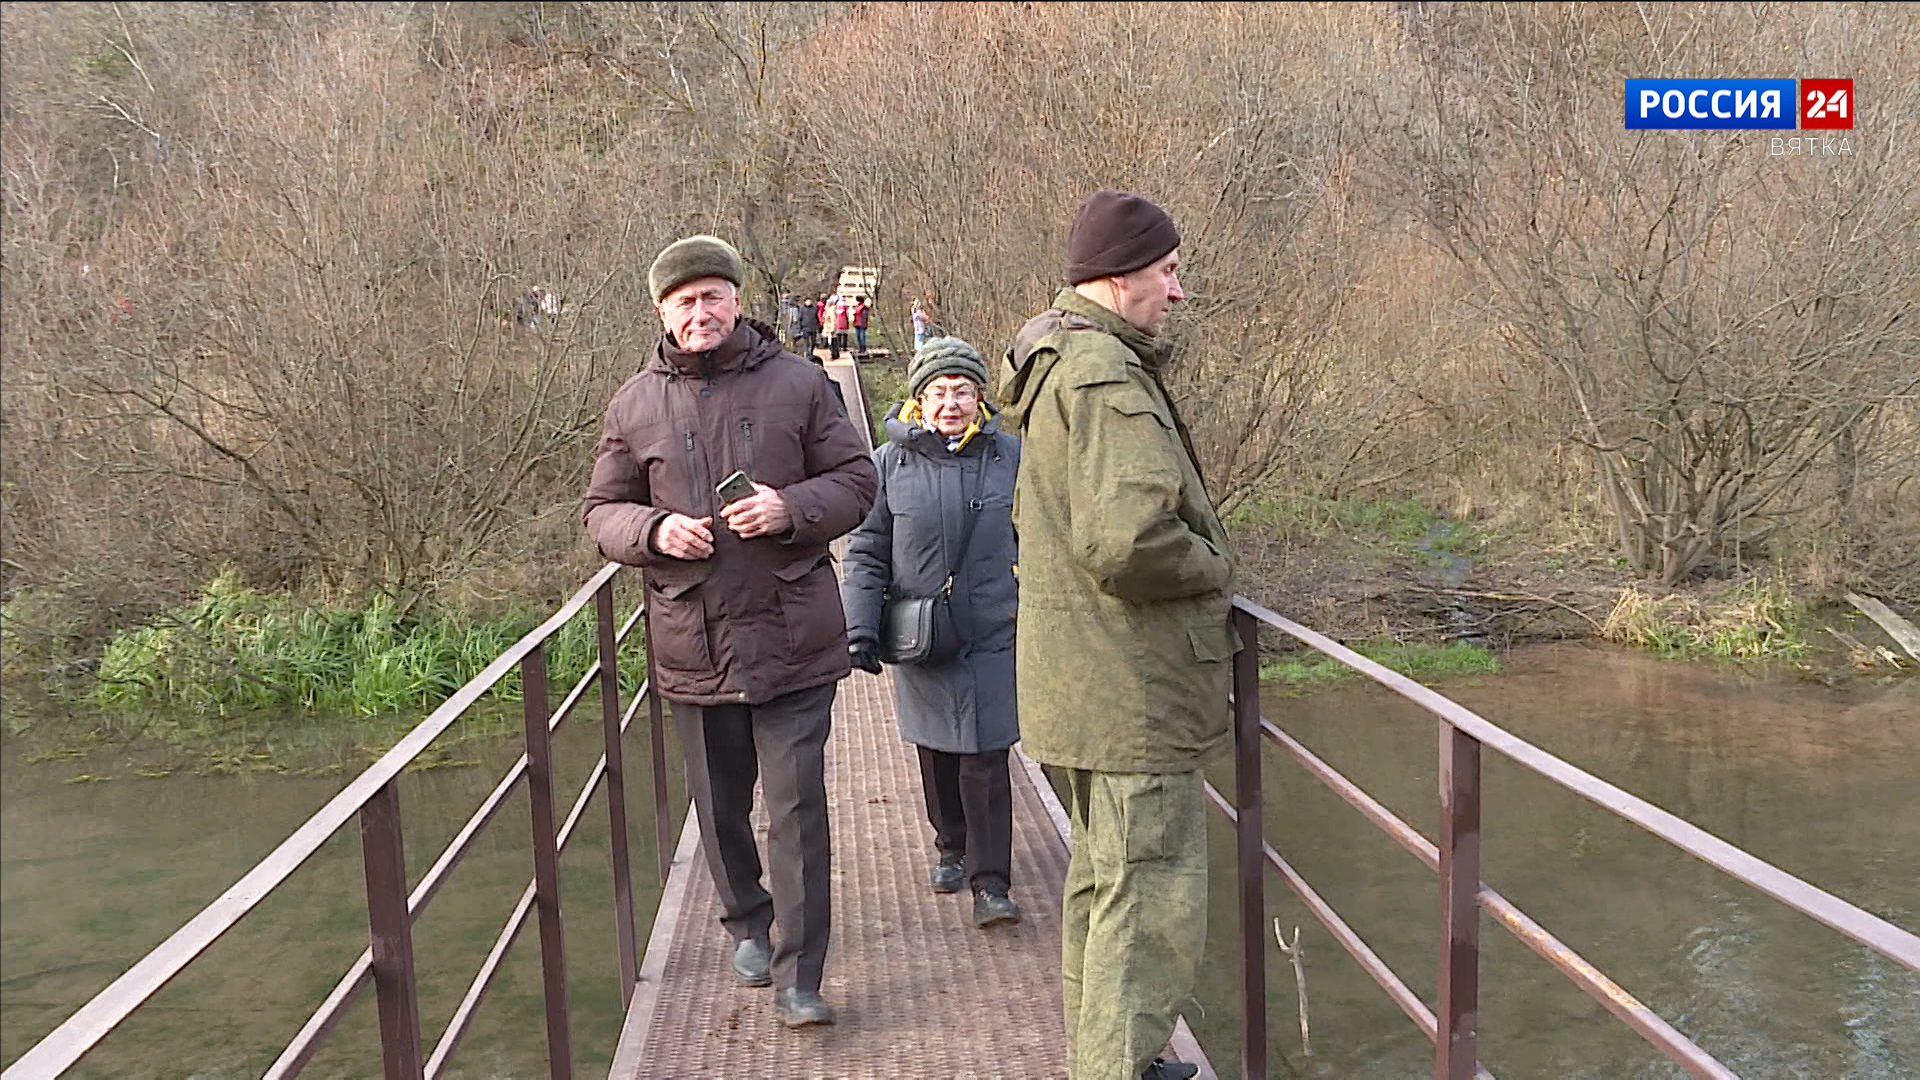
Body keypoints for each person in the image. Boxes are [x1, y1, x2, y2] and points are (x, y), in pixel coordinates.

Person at [583, 234, 878, 1029]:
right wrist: (653, 532)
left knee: (797, 808)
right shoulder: (632, 403)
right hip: (694, 637)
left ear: (737, 301)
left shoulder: (801, 383)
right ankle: (747, 917)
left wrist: (792, 509)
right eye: (685, 302)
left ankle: (800, 974)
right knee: (718, 806)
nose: (700, 312)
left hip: (793, 632)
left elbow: (858, 480)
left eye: (713, 296)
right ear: (663, 314)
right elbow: (599, 513)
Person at [997, 191, 1229, 1080]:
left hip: (1086, 682)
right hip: (1133, 690)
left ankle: (1110, 1056)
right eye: (1168, 272)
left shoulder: (1061, 363)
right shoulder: (1103, 375)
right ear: (1118, 277)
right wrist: (1216, 566)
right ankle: (1116, 1068)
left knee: (1105, 885)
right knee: (1149, 899)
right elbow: (1126, 541)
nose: (1177, 292)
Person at [840, 336, 1024, 930]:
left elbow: (1044, 536)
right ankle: (950, 843)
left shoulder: (1012, 459)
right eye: (939, 392)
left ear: (980, 399)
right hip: (922, 631)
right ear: (918, 401)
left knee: (987, 755)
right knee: (938, 747)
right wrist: (860, 627)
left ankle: (992, 883)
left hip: (996, 630)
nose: (951, 403)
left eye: (963, 391)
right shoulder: (887, 464)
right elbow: (866, 550)